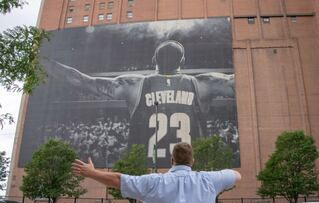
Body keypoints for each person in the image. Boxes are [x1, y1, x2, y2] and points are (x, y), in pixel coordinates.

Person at [46, 40, 235, 167]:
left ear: (154, 60)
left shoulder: (134, 85)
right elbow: (238, 81)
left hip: (144, 169)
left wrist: (45, 62)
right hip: (191, 170)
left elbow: (82, 81)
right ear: (183, 61)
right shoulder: (203, 84)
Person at [72, 142, 241, 203]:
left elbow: (118, 180)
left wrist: (92, 173)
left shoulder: (153, 182)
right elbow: (236, 175)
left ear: (171, 160)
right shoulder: (208, 180)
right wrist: (220, 181)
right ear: (193, 161)